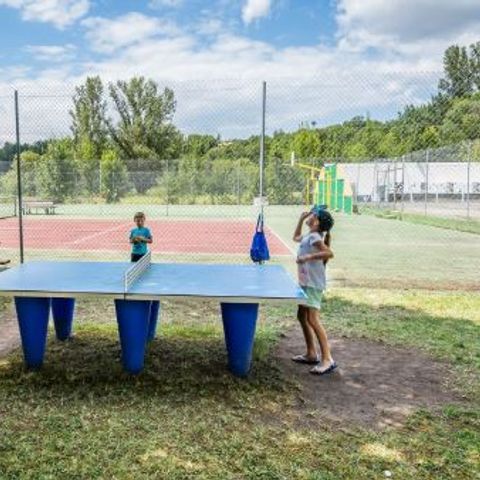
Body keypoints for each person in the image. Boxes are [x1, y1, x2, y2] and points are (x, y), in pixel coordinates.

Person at [292, 206, 337, 375]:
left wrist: (308, 256)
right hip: (305, 282)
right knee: (301, 316)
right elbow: (296, 237)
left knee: (312, 319)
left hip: (312, 284)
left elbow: (329, 253)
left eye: (313, 215)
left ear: (317, 223)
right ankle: (311, 353)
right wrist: (300, 219)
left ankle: (327, 359)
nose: (310, 215)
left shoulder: (315, 237)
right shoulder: (309, 236)